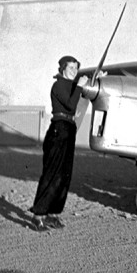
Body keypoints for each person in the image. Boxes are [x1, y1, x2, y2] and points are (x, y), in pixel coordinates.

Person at [29, 55, 88, 231]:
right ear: (62, 68)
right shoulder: (59, 85)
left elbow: (81, 96)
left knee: (64, 174)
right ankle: (38, 214)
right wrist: (79, 86)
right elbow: (70, 106)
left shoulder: (73, 85)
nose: (74, 71)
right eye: (71, 68)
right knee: (52, 173)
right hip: (59, 128)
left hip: (69, 129)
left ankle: (53, 214)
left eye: (76, 68)